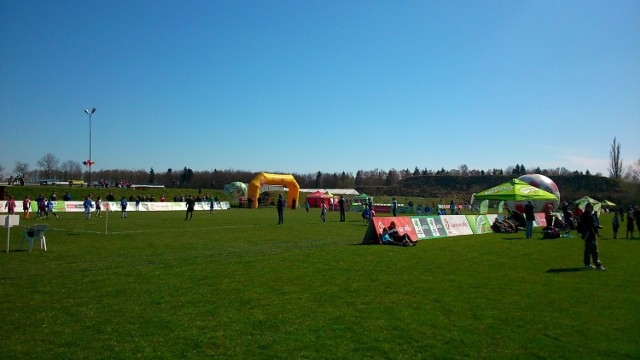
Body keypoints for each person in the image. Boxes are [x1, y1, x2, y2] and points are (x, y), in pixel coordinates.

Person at [580, 203, 606, 270]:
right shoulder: (589, 216)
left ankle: (587, 264)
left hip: (585, 235)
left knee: (587, 250)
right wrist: (598, 226)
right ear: (588, 207)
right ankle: (598, 265)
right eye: (591, 207)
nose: (592, 209)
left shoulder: (583, 215)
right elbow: (592, 225)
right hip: (590, 234)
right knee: (594, 250)